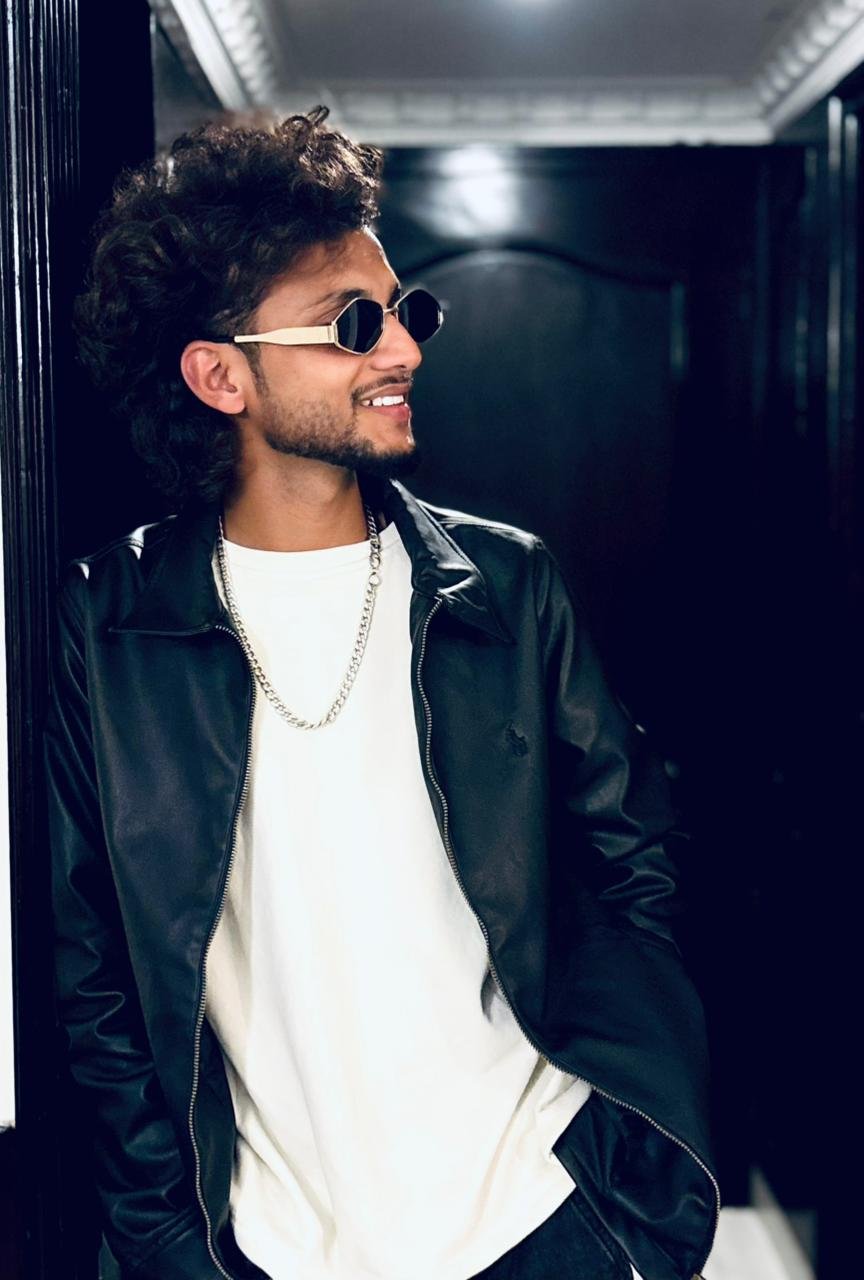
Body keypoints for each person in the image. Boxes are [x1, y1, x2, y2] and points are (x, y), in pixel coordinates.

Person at [46, 107, 719, 1280]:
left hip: (542, 1214)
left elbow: (634, 862)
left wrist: (626, 1181)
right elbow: (91, 965)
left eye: (409, 311)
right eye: (353, 323)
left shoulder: (503, 586)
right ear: (219, 374)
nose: (402, 347)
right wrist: (166, 1240)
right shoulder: (111, 623)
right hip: (267, 1243)